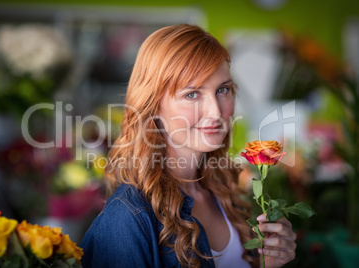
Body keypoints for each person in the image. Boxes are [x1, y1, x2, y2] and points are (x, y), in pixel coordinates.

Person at [80, 24, 296, 268]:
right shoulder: (128, 217)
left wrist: (269, 263)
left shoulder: (224, 190)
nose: (216, 112)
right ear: (152, 105)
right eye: (192, 94)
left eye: (222, 89)